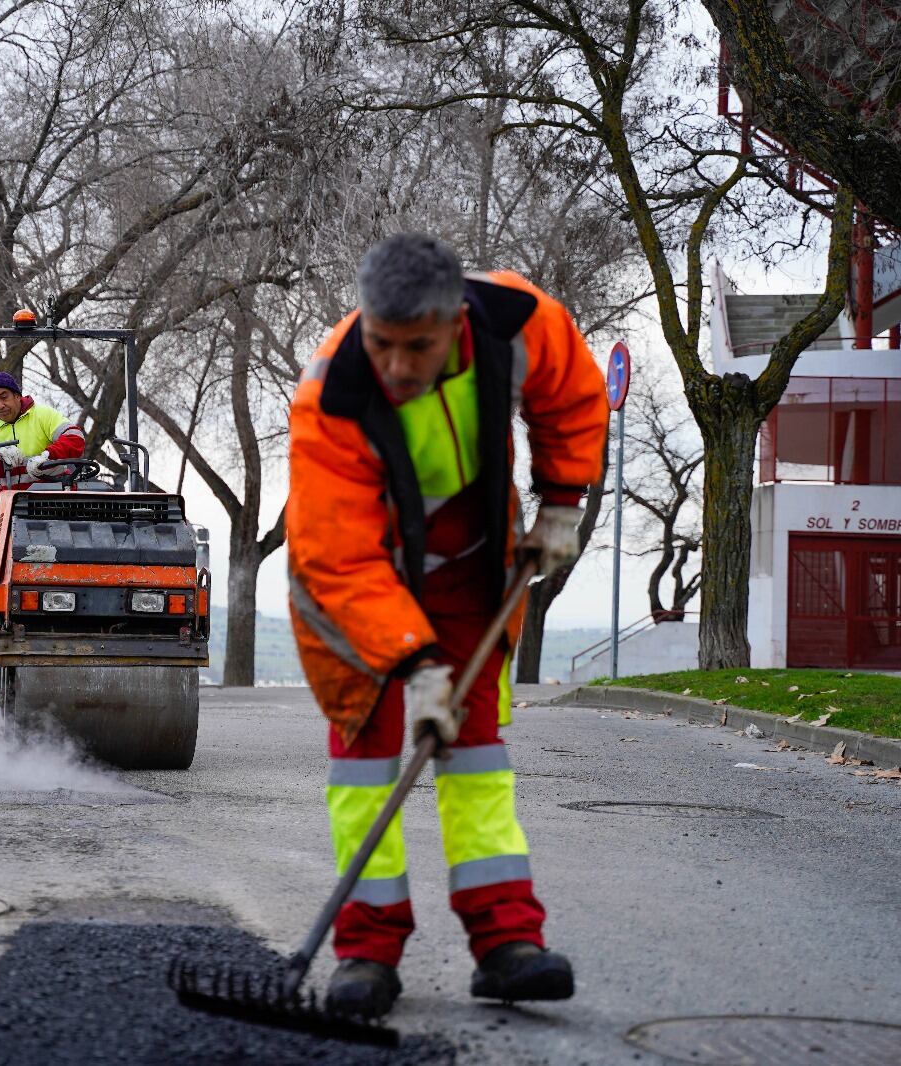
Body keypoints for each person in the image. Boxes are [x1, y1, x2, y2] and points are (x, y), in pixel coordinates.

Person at [287, 234, 607, 1016]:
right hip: (355, 585)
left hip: (468, 555)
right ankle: (365, 952)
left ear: (454, 324)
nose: (396, 365)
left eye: (417, 347)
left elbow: (572, 397)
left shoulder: (517, 320)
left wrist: (563, 499)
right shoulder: (331, 398)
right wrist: (415, 663)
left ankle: (506, 943)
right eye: (381, 343)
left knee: (475, 752)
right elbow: (342, 558)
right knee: (364, 765)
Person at [0, 372, 86, 595]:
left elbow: (75, 438)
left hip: (51, 501)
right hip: (9, 506)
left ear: (18, 396)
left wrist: (48, 456)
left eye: (4, 396)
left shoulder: (43, 415)